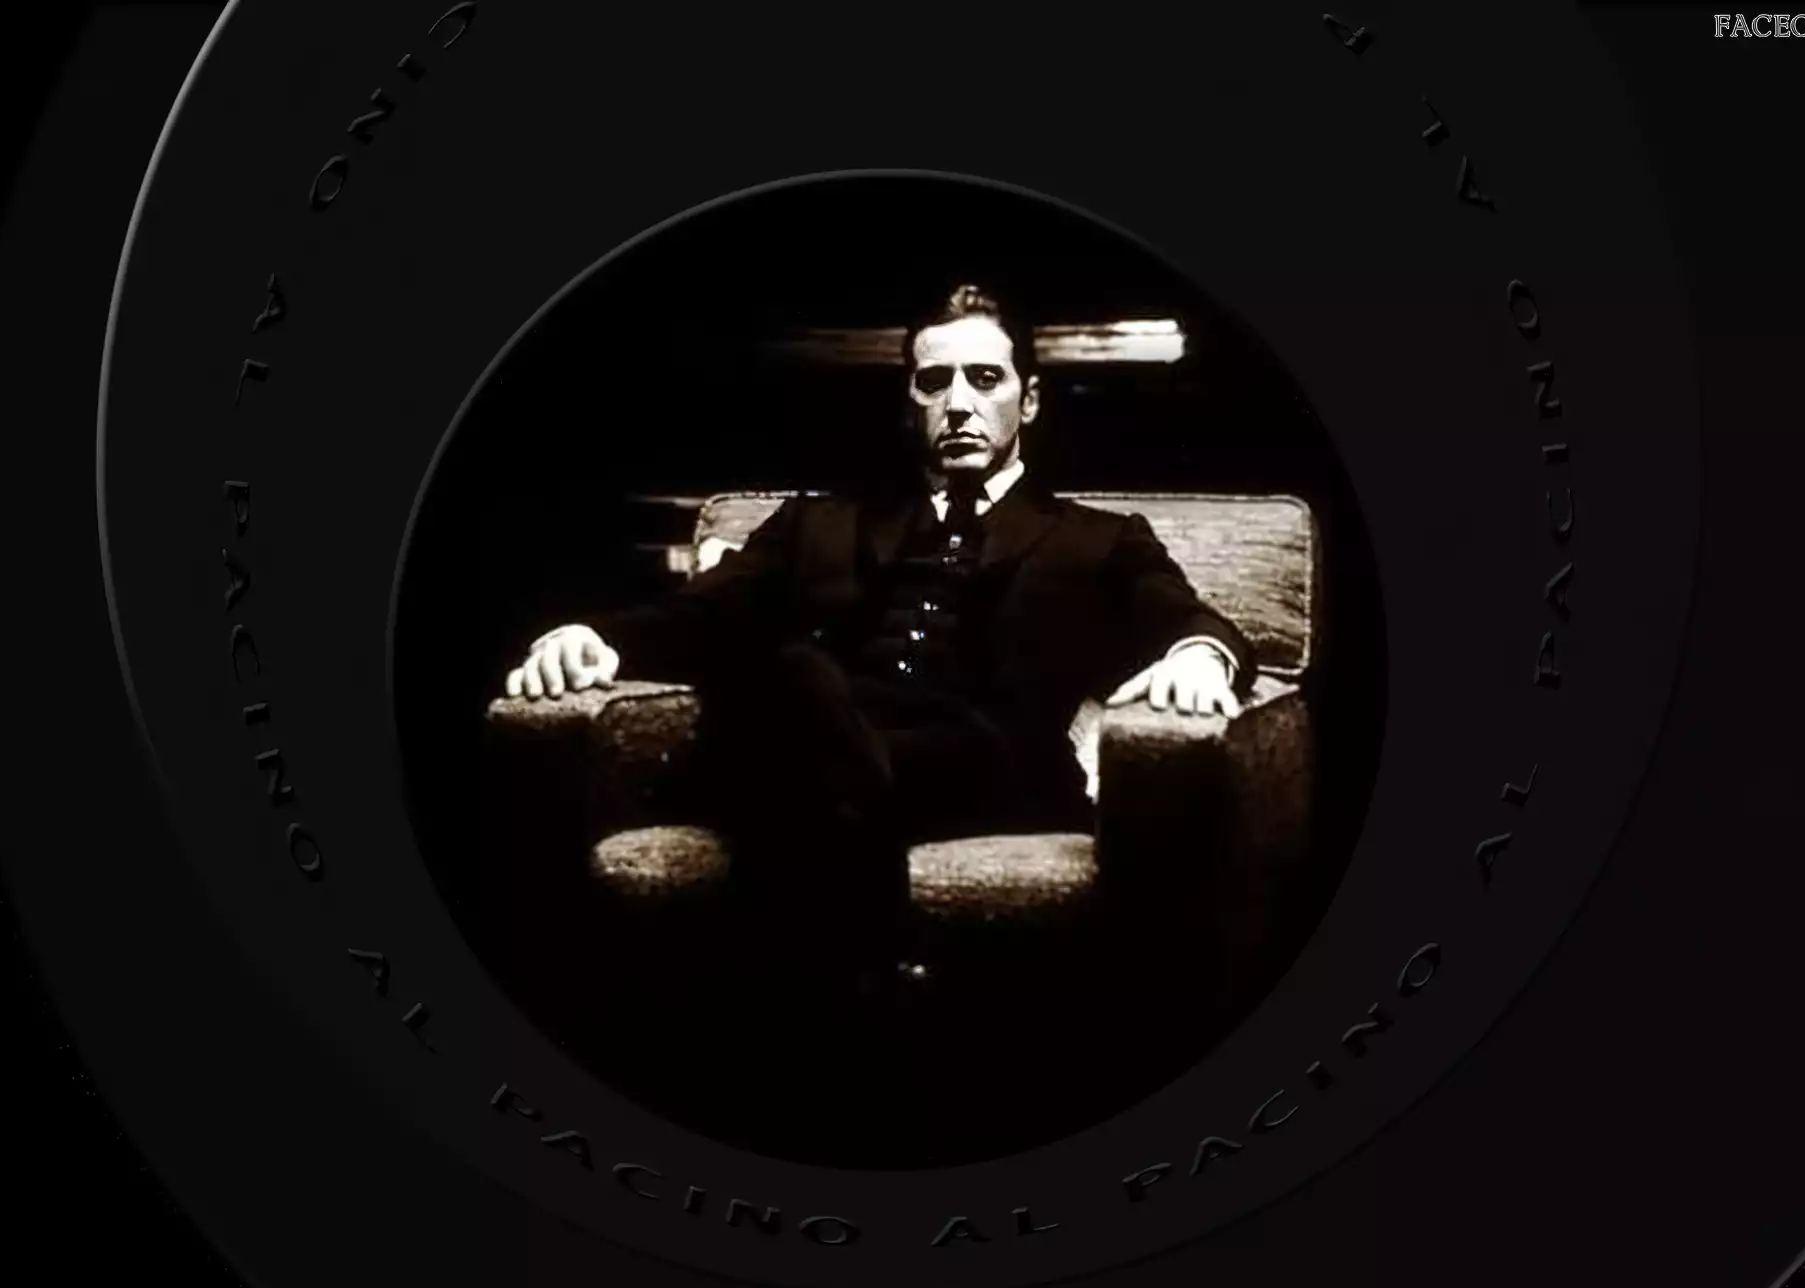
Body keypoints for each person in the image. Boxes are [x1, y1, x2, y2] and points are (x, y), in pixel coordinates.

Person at [504, 283, 1255, 997]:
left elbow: (1192, 620)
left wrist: (1199, 656)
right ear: (909, 402)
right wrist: (591, 636)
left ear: (1027, 400)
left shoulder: (1100, 539)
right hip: (807, 741)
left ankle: (825, 980)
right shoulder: (816, 523)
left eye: (984, 379)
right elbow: (697, 617)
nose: (958, 403)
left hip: (980, 769)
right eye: (934, 383)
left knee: (794, 689)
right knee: (793, 680)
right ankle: (873, 974)